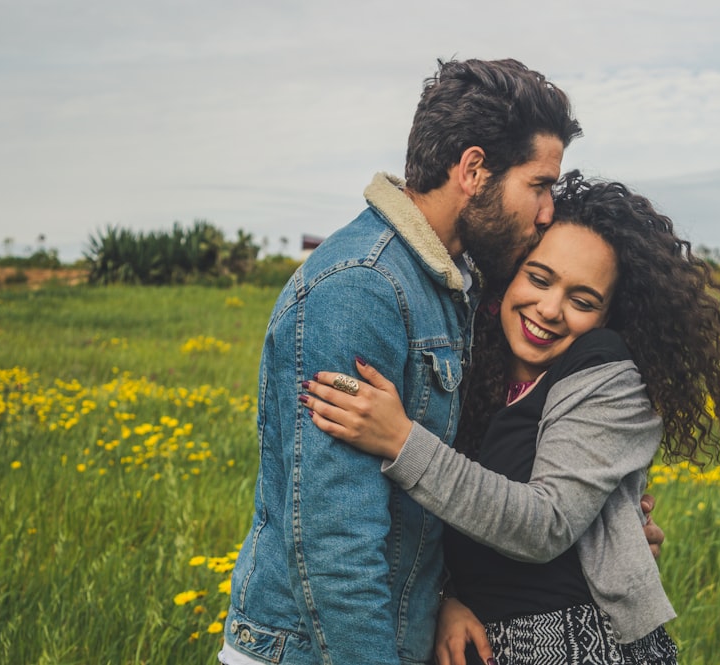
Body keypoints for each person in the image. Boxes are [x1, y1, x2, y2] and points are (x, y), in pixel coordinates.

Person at [303, 172, 720, 664]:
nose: (550, 309)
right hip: (474, 641)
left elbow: (544, 524)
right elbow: (435, 517)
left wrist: (399, 440)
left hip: (581, 645)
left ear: (607, 317)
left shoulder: (608, 374)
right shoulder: (468, 368)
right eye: (539, 278)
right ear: (508, 276)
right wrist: (443, 599)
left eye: (583, 301)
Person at [219, 58, 583, 665]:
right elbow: (335, 541)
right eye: (539, 185)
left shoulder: (444, 279)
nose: (546, 211)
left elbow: (416, 496)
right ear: (473, 169)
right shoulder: (362, 288)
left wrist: (442, 596)